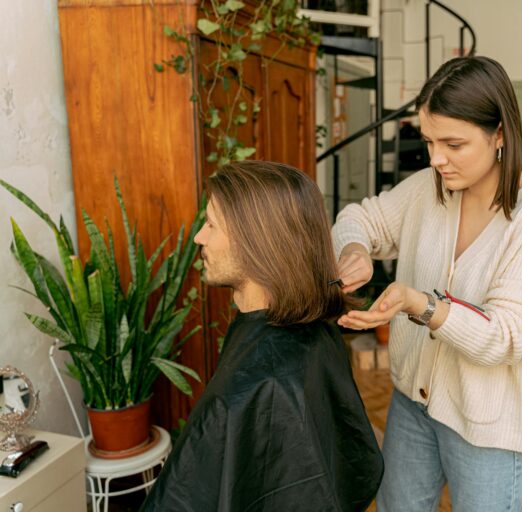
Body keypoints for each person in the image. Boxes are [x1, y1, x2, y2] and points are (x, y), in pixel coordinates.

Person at [332, 56, 522, 511]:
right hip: (413, 405)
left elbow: (508, 337)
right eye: (428, 141)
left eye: (453, 143)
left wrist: (422, 305)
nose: (436, 159)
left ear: (500, 134)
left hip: (491, 426)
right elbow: (360, 218)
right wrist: (355, 251)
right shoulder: (431, 188)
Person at [141, 161, 384, 512]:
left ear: (258, 241)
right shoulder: (314, 329)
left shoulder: (254, 387)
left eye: (211, 224)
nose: (199, 237)